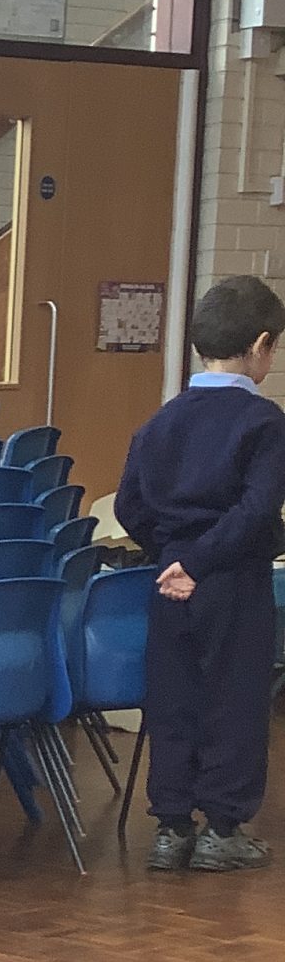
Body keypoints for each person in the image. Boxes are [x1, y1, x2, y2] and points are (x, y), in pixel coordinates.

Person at [115, 273, 285, 874]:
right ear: (261, 345)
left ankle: (170, 829)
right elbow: (257, 510)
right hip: (232, 579)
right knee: (235, 700)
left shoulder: (160, 421)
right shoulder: (264, 423)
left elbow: (129, 505)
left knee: (173, 699)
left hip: (170, 583)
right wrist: (200, 562)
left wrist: (173, 558)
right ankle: (223, 829)